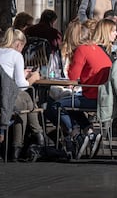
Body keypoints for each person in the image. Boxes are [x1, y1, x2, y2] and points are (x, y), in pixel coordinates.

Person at [45, 20, 111, 159]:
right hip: (103, 97)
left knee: (56, 105)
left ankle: (75, 134)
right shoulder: (97, 48)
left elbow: (73, 77)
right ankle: (89, 132)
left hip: (92, 96)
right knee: (70, 104)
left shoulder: (82, 50)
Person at [0, 28, 44, 161]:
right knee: (25, 102)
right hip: (5, 100)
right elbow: (22, 86)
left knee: (23, 103)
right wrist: (33, 78)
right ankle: (37, 137)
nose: (21, 51)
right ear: (18, 44)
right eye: (22, 48)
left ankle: (22, 146)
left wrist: (20, 74)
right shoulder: (15, 55)